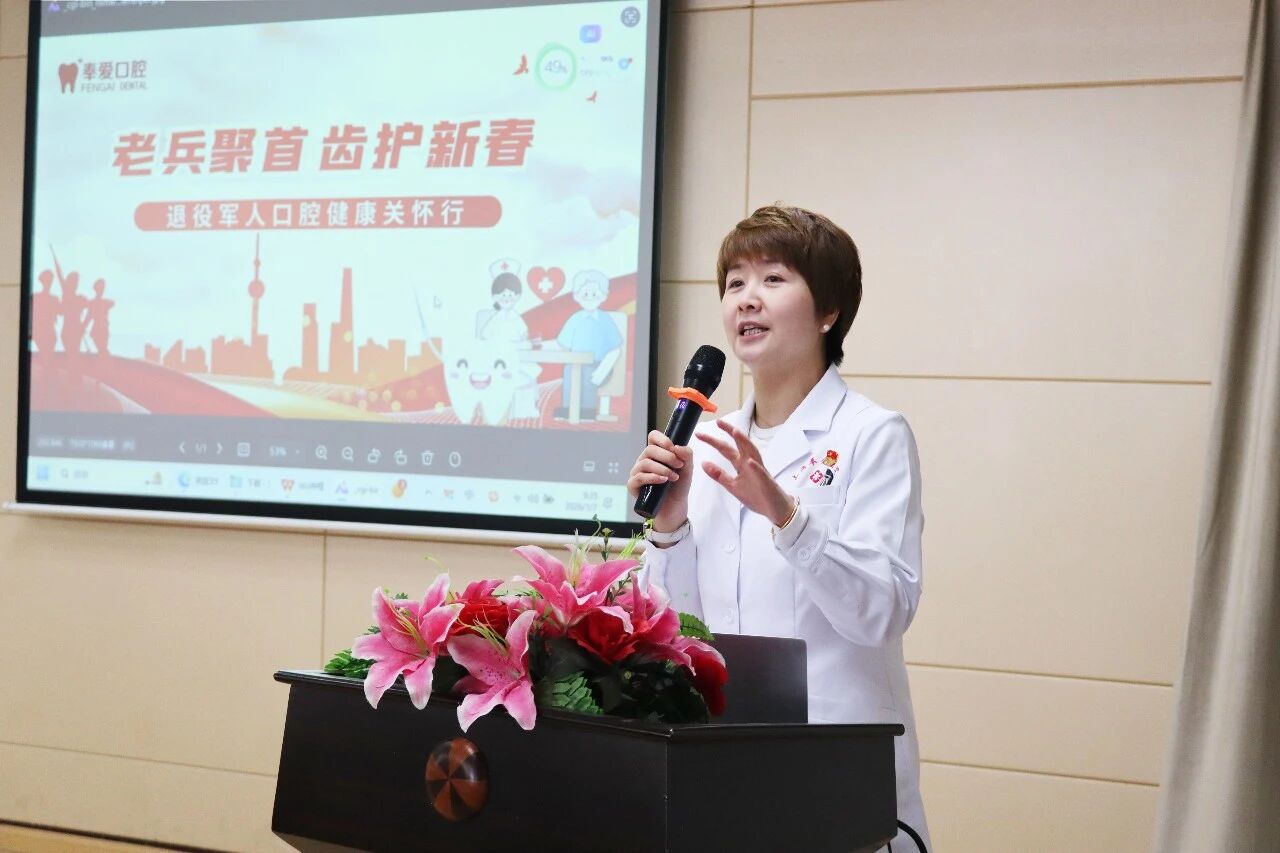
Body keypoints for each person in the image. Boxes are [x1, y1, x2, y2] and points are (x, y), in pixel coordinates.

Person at [628, 205, 931, 852]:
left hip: (838, 771)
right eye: (734, 282)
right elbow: (678, 630)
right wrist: (670, 528)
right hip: (727, 763)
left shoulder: (872, 434)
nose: (747, 298)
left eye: (772, 278)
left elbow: (881, 612)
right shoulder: (705, 441)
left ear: (828, 312)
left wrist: (787, 516)